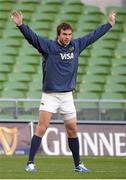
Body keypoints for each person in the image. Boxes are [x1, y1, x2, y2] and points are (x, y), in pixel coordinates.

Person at [11, 10, 116, 173]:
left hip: (67, 96)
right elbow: (32, 38)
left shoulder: (76, 46)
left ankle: (78, 165)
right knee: (42, 127)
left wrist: (109, 24)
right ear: (58, 35)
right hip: (50, 95)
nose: (68, 37)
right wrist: (20, 25)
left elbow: (93, 36)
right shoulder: (48, 47)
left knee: (73, 129)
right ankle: (30, 163)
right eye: (65, 34)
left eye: (69, 34)